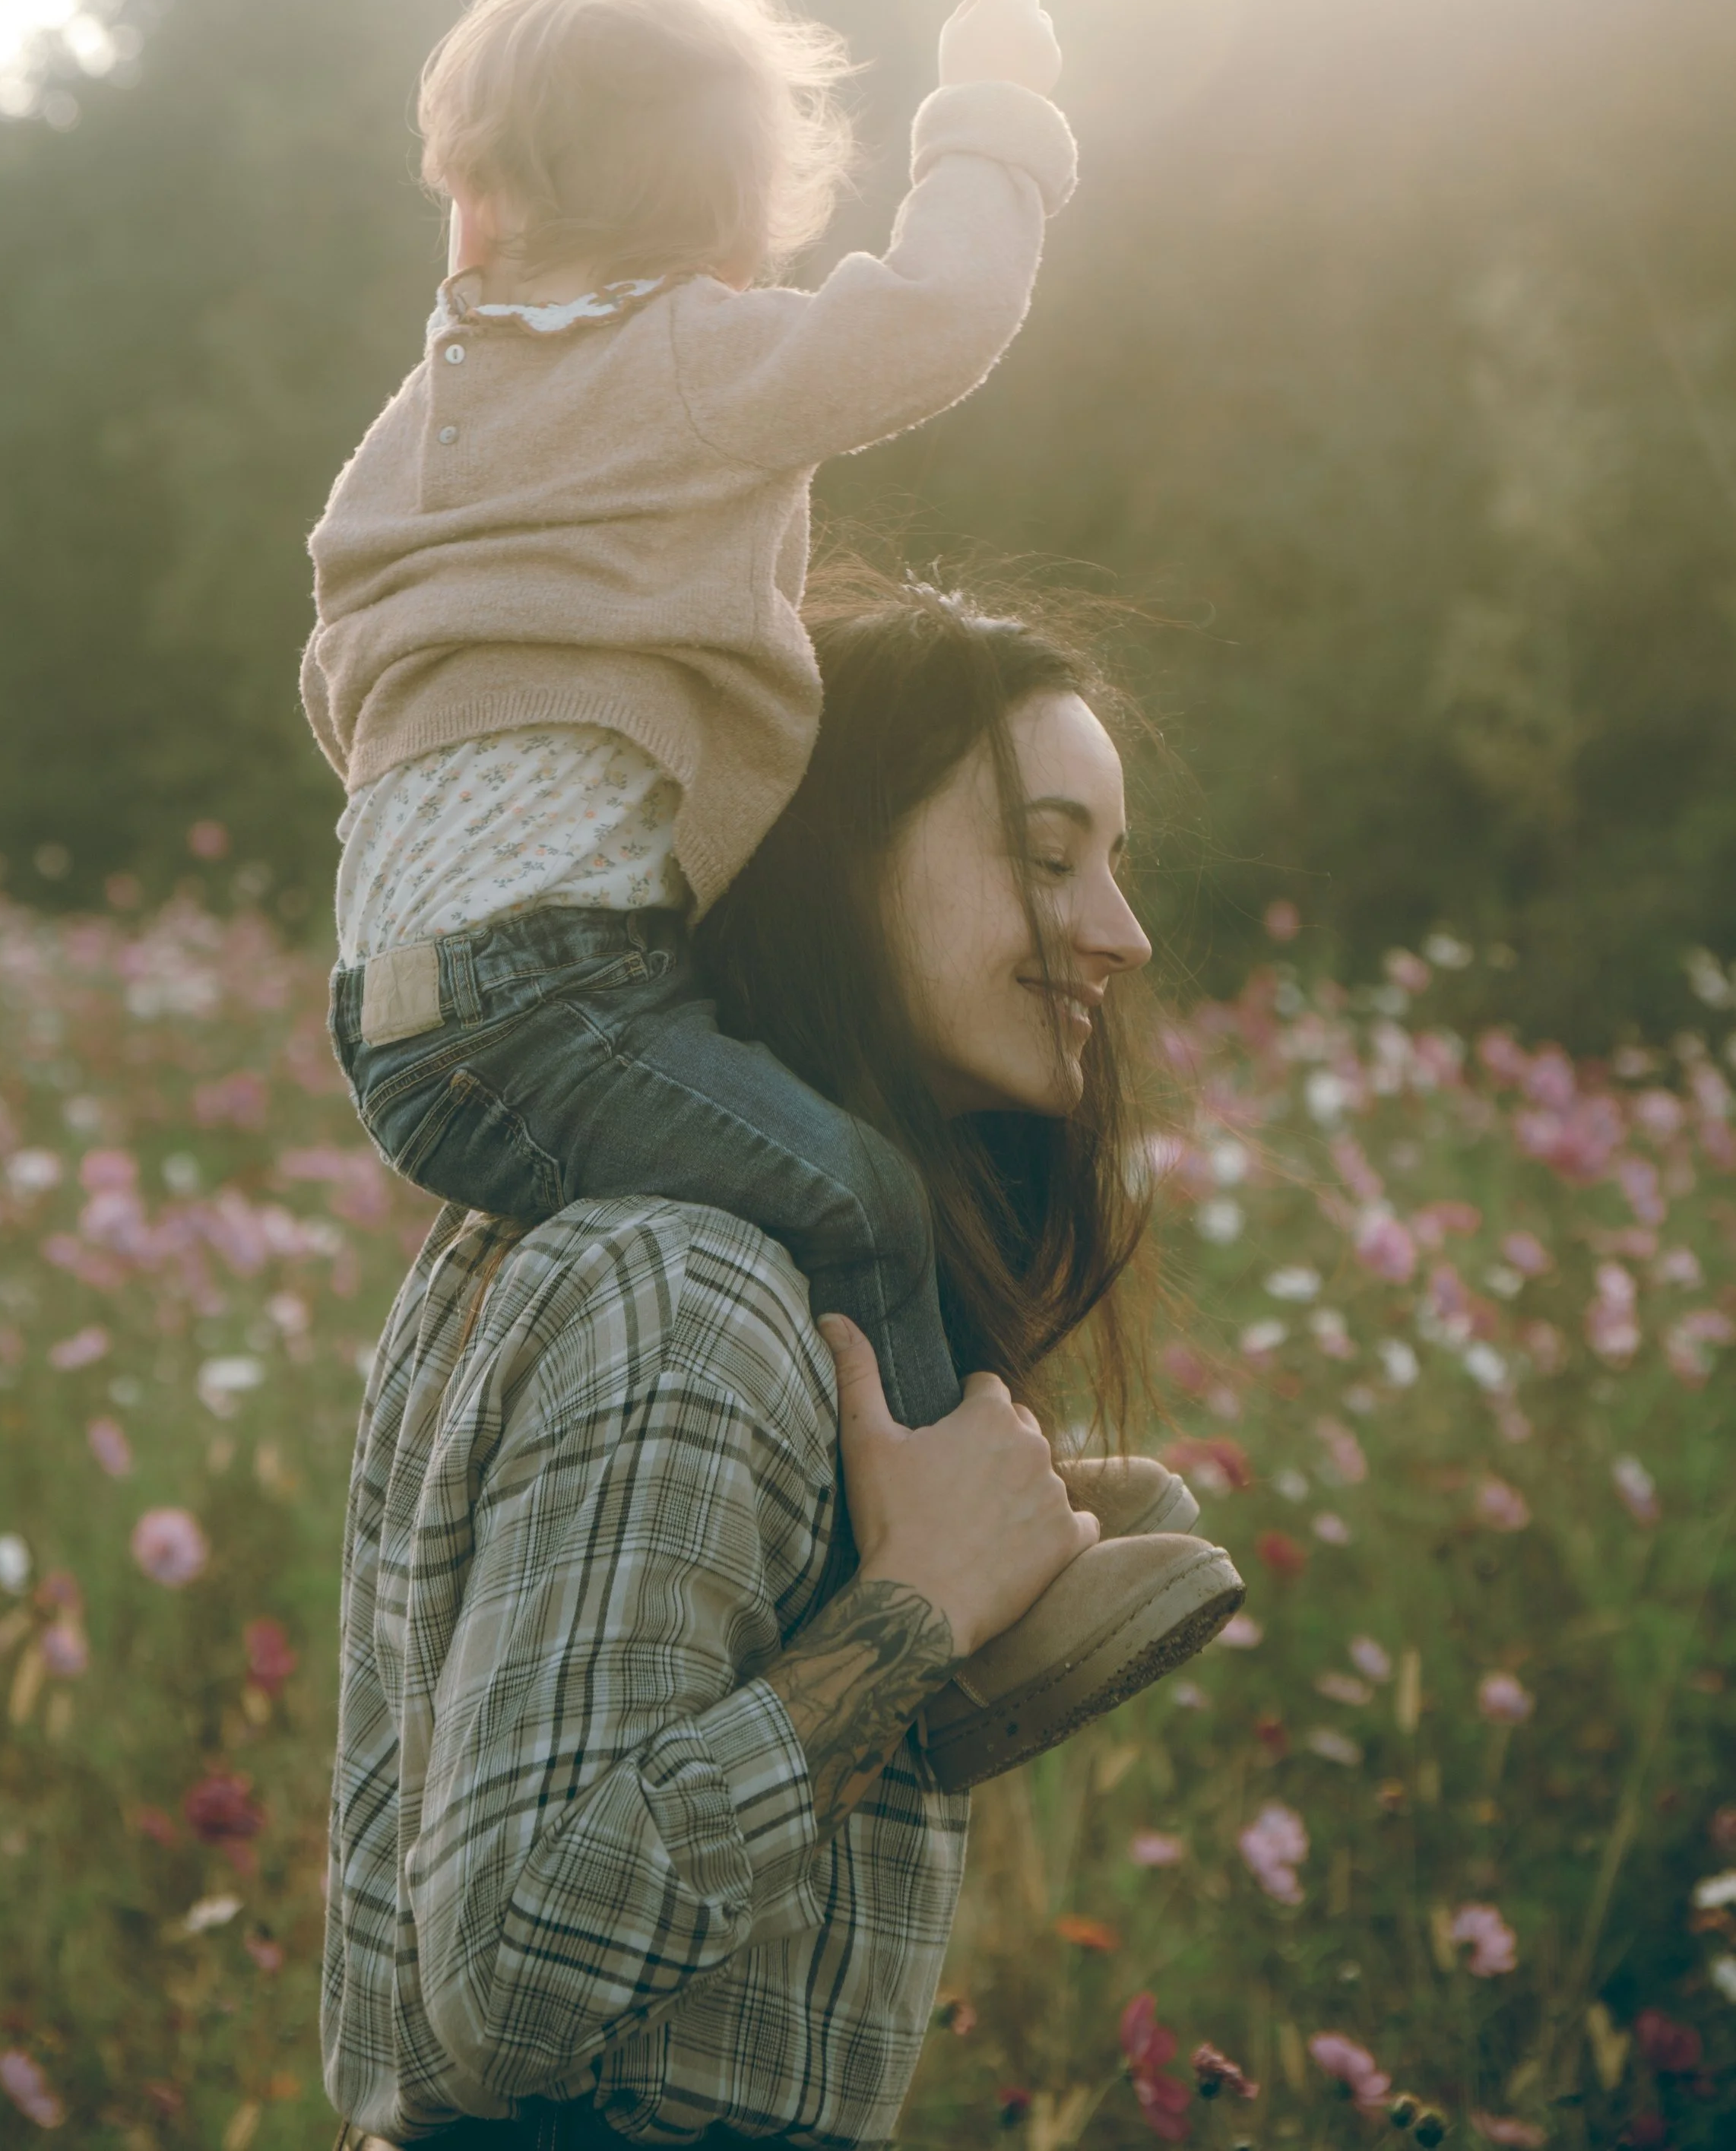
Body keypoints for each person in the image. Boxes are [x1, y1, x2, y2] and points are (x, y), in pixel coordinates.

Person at [303, 0, 1231, 1762]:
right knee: (858, 1190)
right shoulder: (684, 357)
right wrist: (994, 105)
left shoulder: (436, 404)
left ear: (472, 211)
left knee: (799, 1166)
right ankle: (969, 1593)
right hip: (546, 993)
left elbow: (342, 654)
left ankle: (976, 1470)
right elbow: (941, 315)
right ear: (738, 233)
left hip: (397, 1004)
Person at [322, 578, 1243, 2151]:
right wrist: (914, 1617)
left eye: (1114, 865)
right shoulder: (686, 1288)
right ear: (834, 856)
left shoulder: (749, 1273)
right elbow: (509, 1987)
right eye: (1044, 855)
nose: (1120, 932)